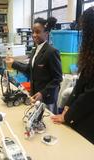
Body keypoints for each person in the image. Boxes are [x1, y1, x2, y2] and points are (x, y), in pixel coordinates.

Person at [51, 7, 94, 144]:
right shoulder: (90, 55)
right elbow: (81, 83)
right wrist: (67, 108)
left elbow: (90, 94)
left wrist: (68, 116)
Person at [6, 17, 62, 113]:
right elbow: (29, 69)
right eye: (33, 32)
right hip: (34, 95)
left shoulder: (51, 52)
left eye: (37, 32)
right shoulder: (34, 50)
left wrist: (42, 93)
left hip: (46, 98)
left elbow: (57, 78)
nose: (34, 35)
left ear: (46, 33)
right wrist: (13, 63)